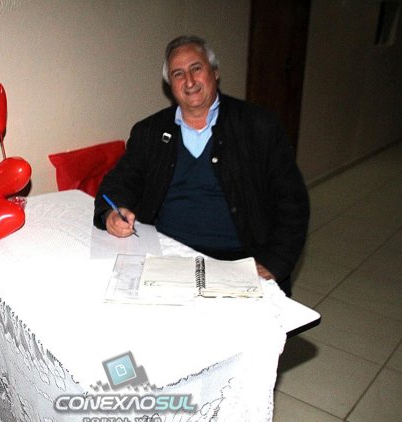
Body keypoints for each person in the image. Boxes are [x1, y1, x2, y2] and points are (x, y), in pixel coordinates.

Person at [93, 35, 309, 296]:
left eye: (196, 68)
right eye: (178, 74)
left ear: (215, 72)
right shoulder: (150, 131)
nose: (189, 81)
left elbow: (292, 203)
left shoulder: (259, 127)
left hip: (238, 260)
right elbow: (118, 183)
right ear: (170, 85)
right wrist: (111, 214)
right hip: (168, 254)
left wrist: (275, 262)